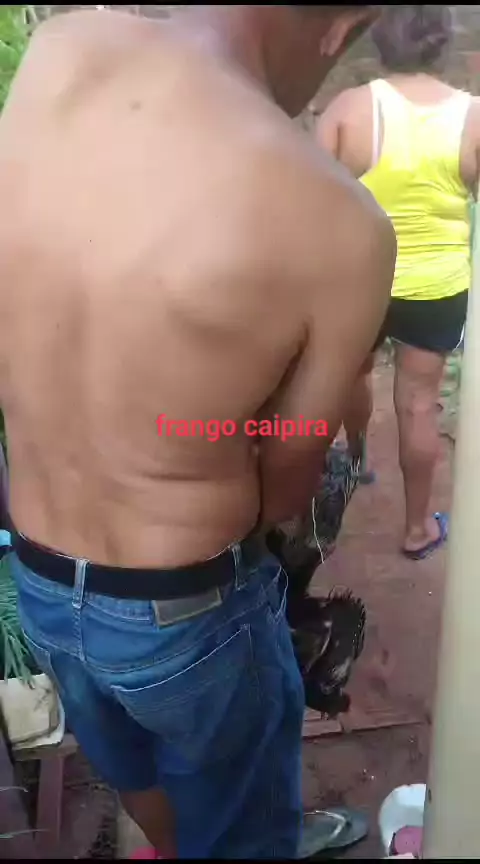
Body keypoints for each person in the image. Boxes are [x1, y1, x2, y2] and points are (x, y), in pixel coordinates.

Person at [0, 5, 395, 859]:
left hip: (38, 578)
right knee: (243, 820)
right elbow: (288, 485)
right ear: (340, 28)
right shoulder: (342, 222)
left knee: (131, 768)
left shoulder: (62, 51)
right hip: (184, 612)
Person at [316, 5, 478, 559]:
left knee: (351, 375)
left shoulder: (348, 109)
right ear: (443, 41)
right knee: (418, 404)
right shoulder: (473, 117)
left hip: (360, 281)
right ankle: (417, 529)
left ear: (379, 39)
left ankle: (357, 458)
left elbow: (311, 198)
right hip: (436, 286)